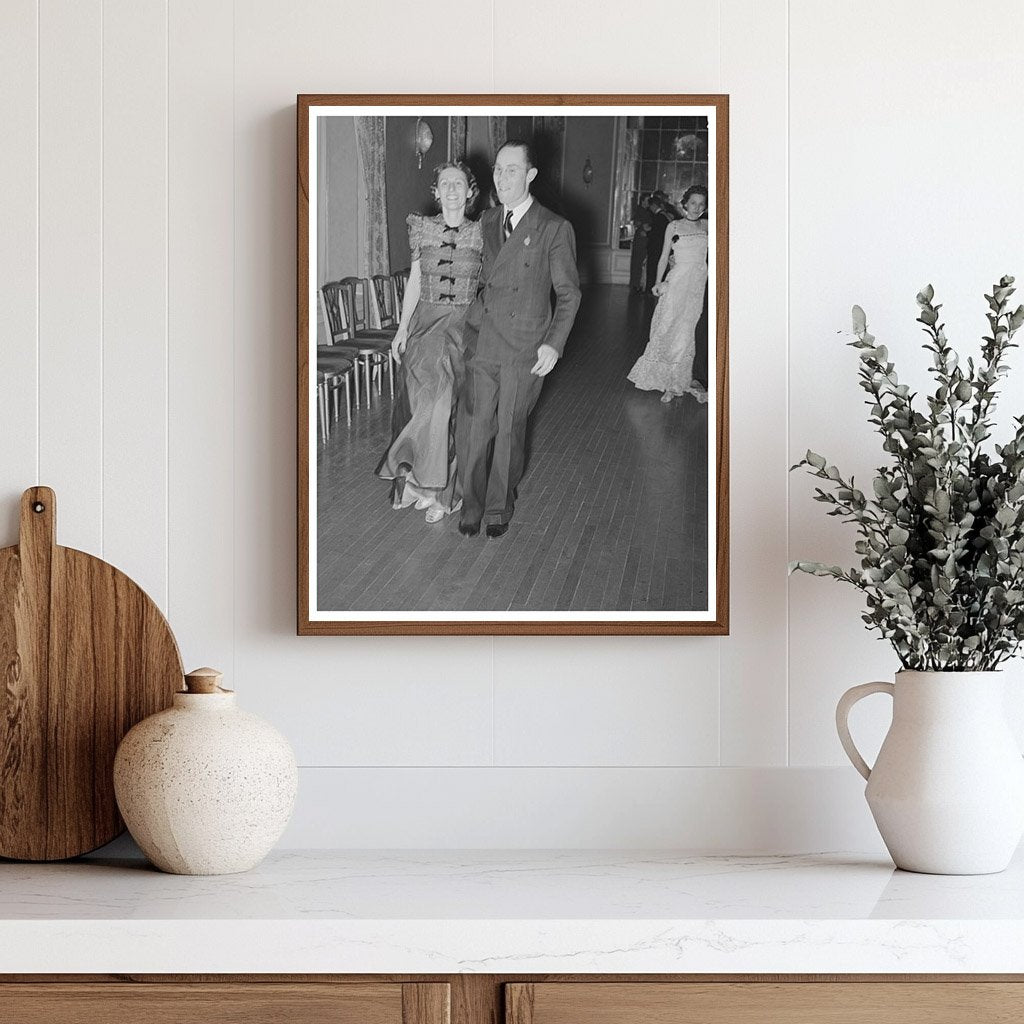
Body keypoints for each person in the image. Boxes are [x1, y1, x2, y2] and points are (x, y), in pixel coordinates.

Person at [455, 140, 581, 538]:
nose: (502, 177)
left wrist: (553, 343)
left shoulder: (554, 227)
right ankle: (471, 504)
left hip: (525, 347)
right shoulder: (488, 220)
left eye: (512, 170)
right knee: (474, 428)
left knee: (509, 430)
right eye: (498, 169)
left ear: (530, 175)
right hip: (483, 340)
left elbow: (569, 293)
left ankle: (498, 507)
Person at [375, 162, 483, 523]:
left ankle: (438, 490)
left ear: (470, 192)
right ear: (436, 192)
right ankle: (421, 483)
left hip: (465, 327)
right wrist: (402, 328)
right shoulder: (422, 228)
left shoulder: (483, 232)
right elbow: (415, 282)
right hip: (425, 324)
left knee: (449, 408)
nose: (451, 189)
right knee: (425, 403)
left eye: (458, 183)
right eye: (444, 184)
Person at [627, 184, 709, 405]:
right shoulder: (674, 226)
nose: (696, 207)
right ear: (685, 204)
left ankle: (677, 382)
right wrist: (657, 282)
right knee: (668, 327)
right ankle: (664, 379)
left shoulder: (708, 226)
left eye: (701, 204)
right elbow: (664, 256)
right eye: (693, 203)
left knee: (687, 332)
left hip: (698, 286)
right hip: (677, 283)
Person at [645, 193, 673, 292]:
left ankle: (651, 290)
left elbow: (656, 234)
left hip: (656, 248)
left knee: (653, 269)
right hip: (661, 247)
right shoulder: (665, 215)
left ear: (653, 205)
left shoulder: (659, 217)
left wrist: (647, 232)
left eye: (650, 206)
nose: (650, 208)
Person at [629, 193, 653, 292]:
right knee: (638, 261)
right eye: (647, 200)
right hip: (641, 239)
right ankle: (636, 284)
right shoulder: (641, 211)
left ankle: (637, 284)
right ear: (643, 201)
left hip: (642, 238)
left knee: (638, 261)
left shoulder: (644, 211)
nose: (649, 203)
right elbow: (639, 224)